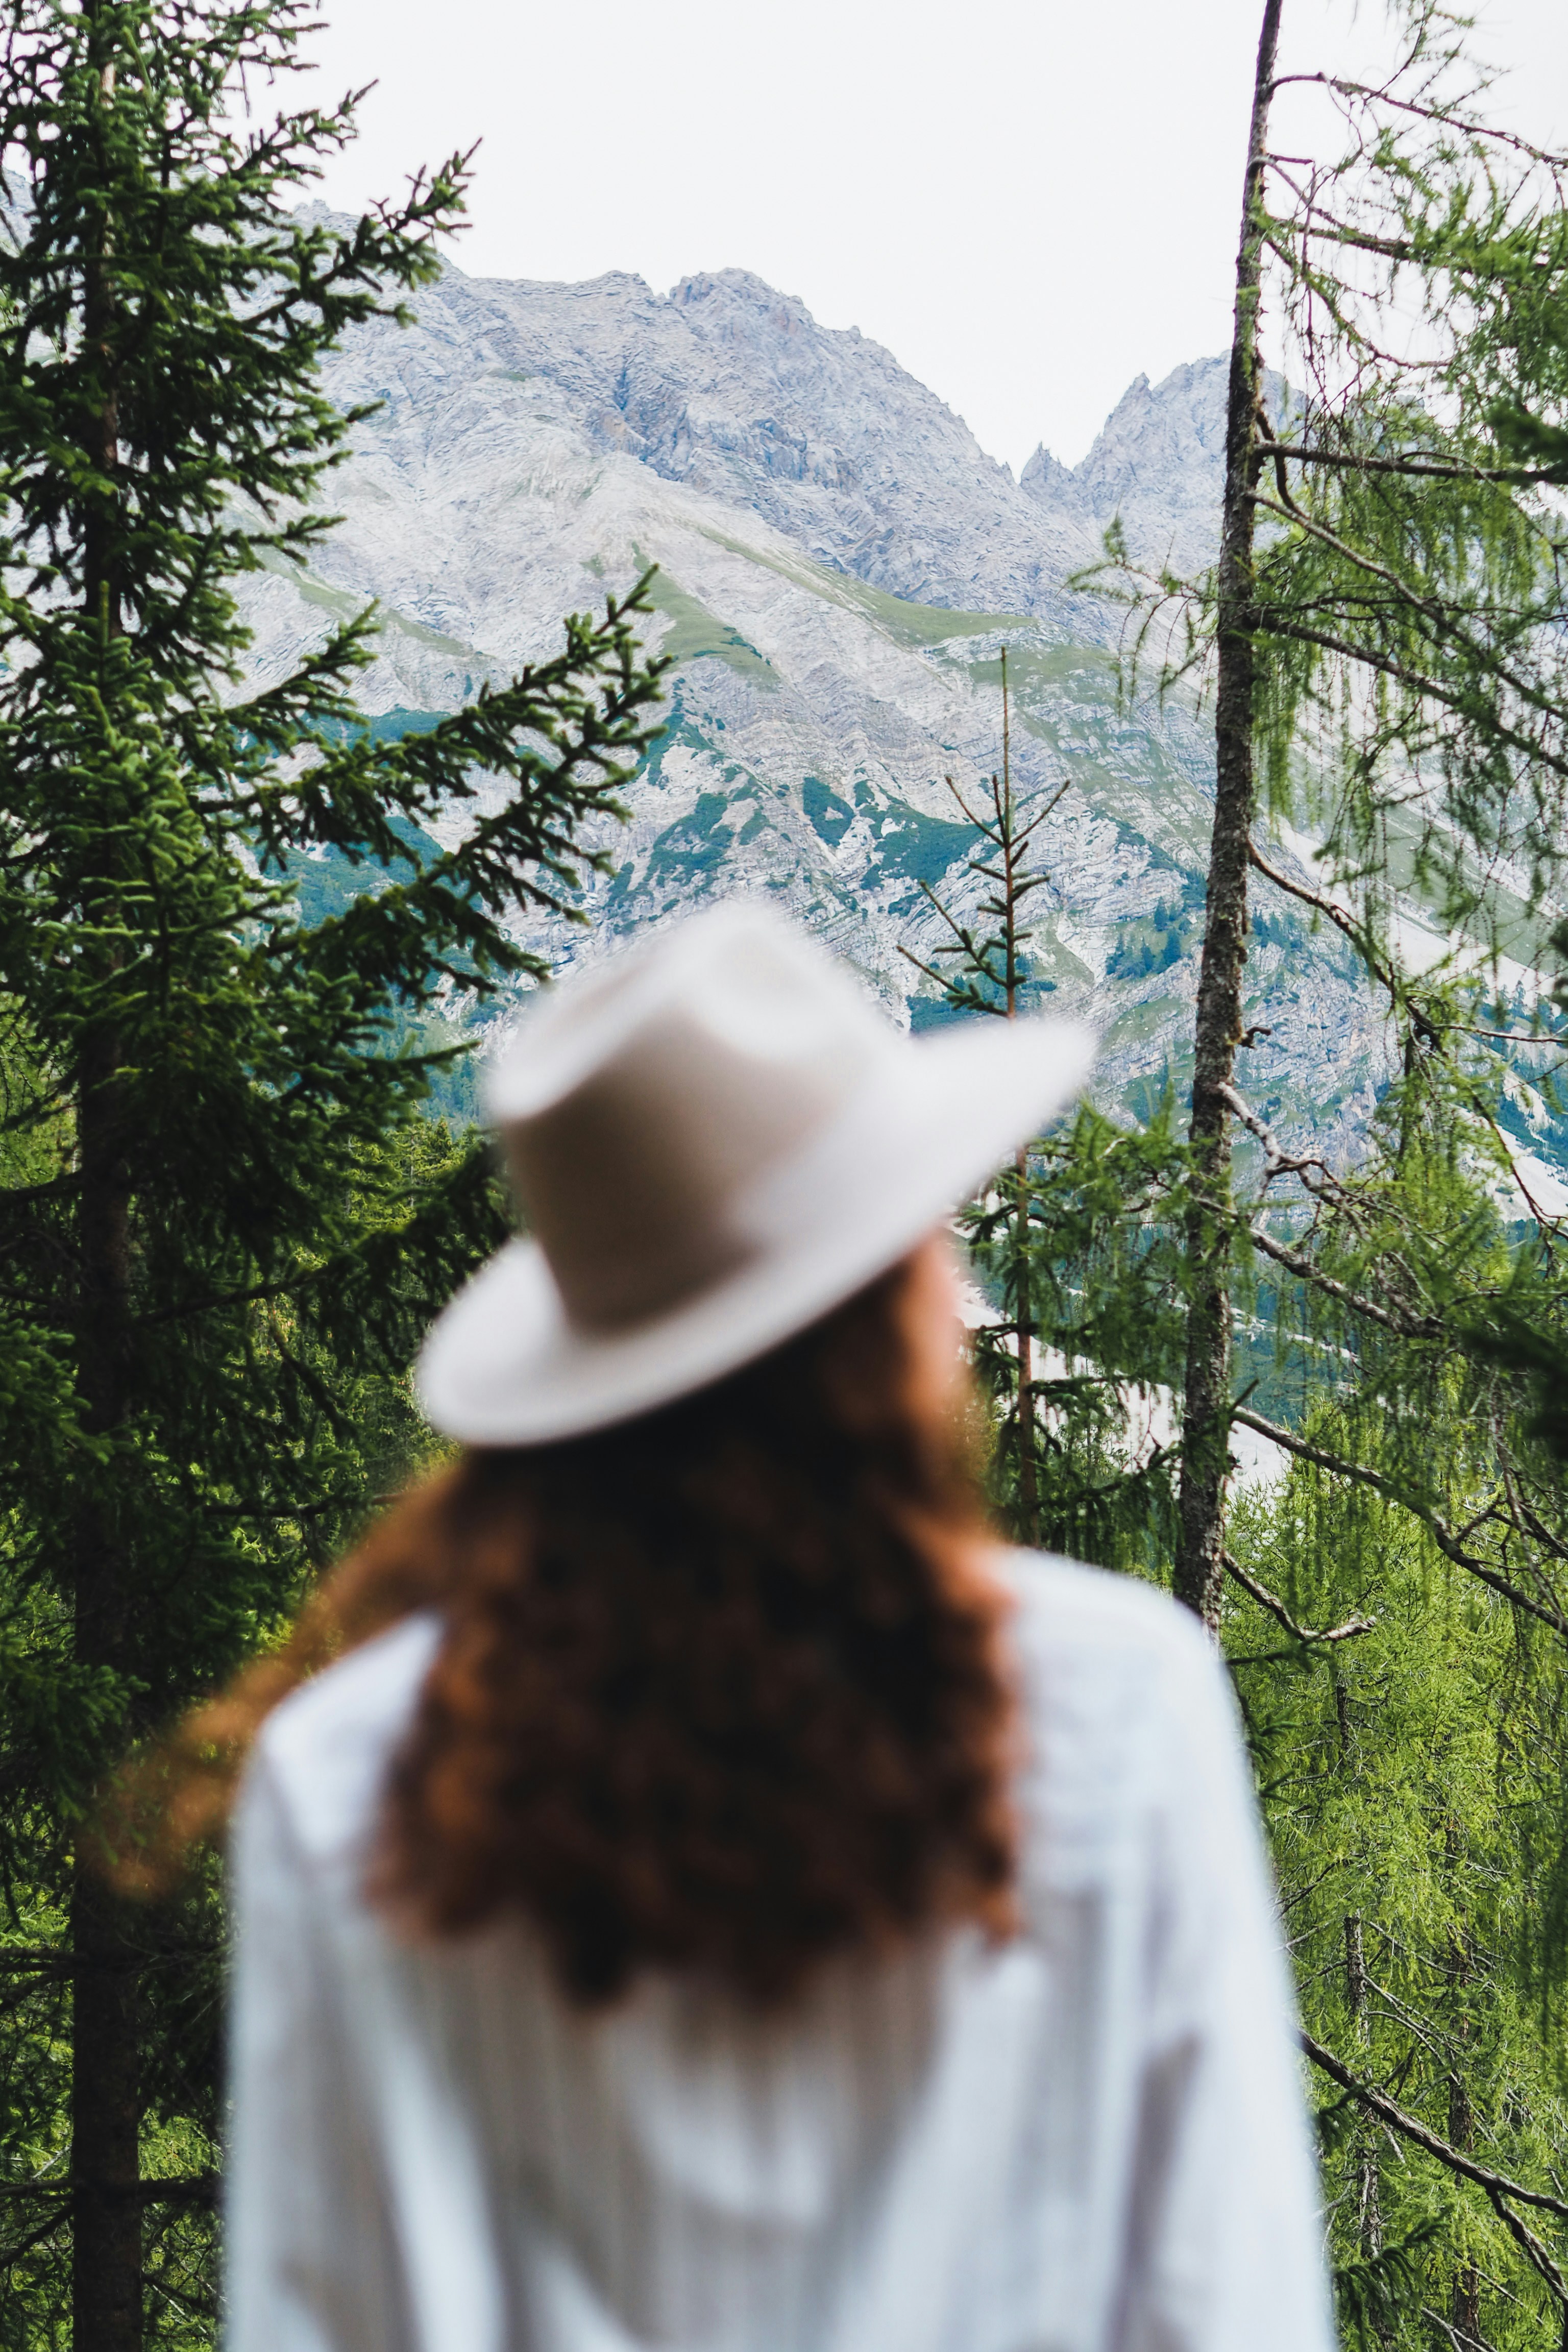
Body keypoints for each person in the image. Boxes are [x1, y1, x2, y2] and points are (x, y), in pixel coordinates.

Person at [202, 901, 1332, 2352]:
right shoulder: (1118, 1703)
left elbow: (321, 2319)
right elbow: (1225, 2303)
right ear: (889, 1321)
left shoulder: (347, 1781)